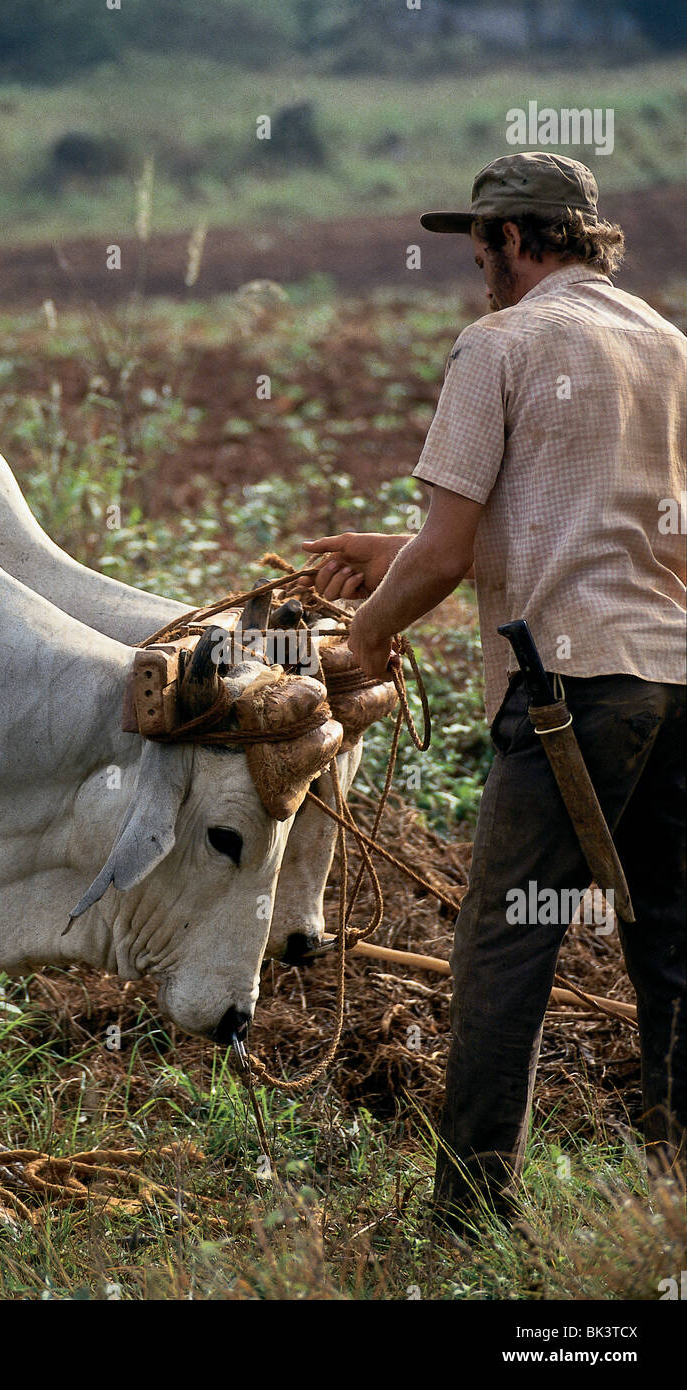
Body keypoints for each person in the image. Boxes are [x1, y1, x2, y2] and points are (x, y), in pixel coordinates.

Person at [302, 151, 687, 1233]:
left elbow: (444, 554)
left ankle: (468, 1216)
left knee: (503, 948)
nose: (473, 264)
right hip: (671, 680)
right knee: (667, 940)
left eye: (477, 244)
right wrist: (390, 550)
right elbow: (628, 541)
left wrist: (359, 644)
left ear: (514, 240)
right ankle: (670, 1193)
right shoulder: (665, 343)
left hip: (567, 692)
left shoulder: (501, 342)